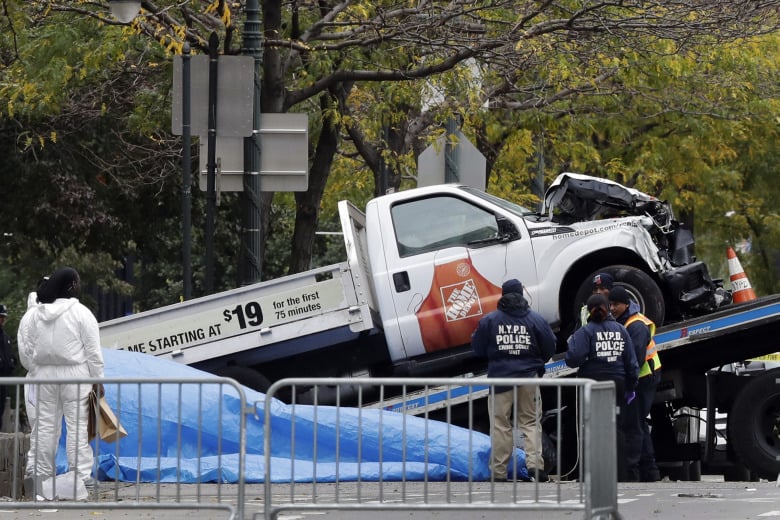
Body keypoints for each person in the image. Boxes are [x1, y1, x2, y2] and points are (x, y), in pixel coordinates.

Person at [17, 267, 104, 489]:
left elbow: (27, 349)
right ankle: (81, 477)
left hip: (44, 376)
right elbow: (93, 353)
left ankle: (39, 475)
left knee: (45, 427)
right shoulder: (82, 313)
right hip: (76, 376)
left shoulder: (36, 314)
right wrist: (98, 379)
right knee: (77, 427)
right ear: (71, 286)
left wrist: (36, 369)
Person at [472, 279, 557, 483]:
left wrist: (495, 357)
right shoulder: (535, 319)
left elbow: (477, 347)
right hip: (528, 378)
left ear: (503, 295)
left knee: (501, 425)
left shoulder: (490, 321)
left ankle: (499, 472)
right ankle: (536, 467)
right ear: (521, 294)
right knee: (530, 423)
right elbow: (550, 346)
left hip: (500, 380)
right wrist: (536, 363)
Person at [565, 293, 638, 481]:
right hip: (617, 385)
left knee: (591, 428)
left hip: (593, 385)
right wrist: (631, 386)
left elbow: (572, 359)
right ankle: (620, 475)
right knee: (617, 429)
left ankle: (592, 474)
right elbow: (631, 363)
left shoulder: (585, 332)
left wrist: (573, 343)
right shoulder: (621, 330)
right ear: (608, 308)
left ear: (588, 311)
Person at [608, 286, 662, 482]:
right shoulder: (625, 321)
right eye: (611, 304)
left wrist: (628, 384)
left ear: (626, 304)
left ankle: (635, 470)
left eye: (616, 304)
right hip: (641, 376)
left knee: (634, 424)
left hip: (644, 378)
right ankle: (650, 470)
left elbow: (636, 360)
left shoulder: (636, 325)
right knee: (637, 422)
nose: (612, 308)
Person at [0, 304, 15, 431]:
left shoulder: (5, 336)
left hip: (3, 381)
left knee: (0, 410)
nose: (3, 320)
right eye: (1, 317)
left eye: (4, 317)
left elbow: (9, 355)